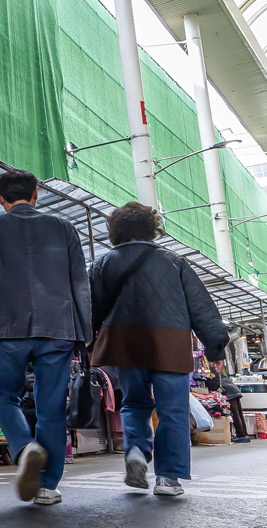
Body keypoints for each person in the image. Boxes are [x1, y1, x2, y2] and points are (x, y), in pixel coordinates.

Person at [0, 168, 91, 507]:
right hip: (59, 329)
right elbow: (80, 283)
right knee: (51, 408)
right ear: (36, 193)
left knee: (2, 395)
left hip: (8, 328)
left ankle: (25, 448)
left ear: (0, 198)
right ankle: (48, 486)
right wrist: (83, 332)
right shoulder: (64, 228)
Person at [88, 203, 228, 497]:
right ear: (152, 229)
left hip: (125, 343)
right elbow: (201, 307)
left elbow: (91, 309)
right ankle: (167, 478)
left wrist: (86, 341)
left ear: (115, 231)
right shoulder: (173, 261)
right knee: (173, 411)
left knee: (135, 403)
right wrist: (215, 348)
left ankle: (137, 450)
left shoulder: (103, 264)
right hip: (170, 342)